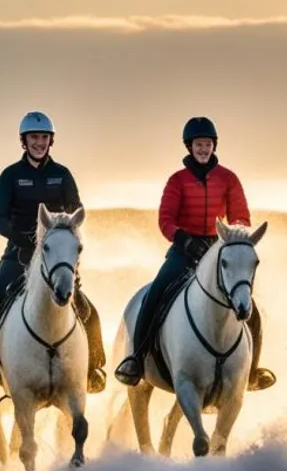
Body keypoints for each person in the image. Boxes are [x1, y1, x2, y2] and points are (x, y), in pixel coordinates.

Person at [113, 116, 276, 390]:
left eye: (208, 144)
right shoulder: (177, 181)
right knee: (154, 295)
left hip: (218, 251)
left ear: (214, 146)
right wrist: (184, 240)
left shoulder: (228, 178)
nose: (203, 149)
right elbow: (165, 219)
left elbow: (241, 217)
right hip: (183, 252)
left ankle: (252, 372)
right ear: (189, 147)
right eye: (199, 144)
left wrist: (231, 236)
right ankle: (137, 359)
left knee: (252, 310)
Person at [0, 111, 107, 393]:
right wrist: (26, 238)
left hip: (56, 258)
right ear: (24, 141)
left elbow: (74, 210)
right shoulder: (10, 176)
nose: (39, 143)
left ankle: (93, 369)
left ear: (50, 141)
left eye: (43, 138)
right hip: (18, 255)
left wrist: (60, 237)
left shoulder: (62, 175)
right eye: (34, 137)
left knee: (88, 310)